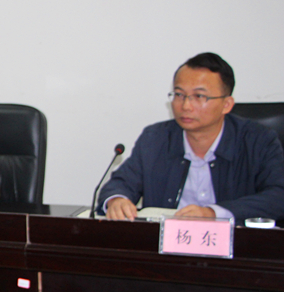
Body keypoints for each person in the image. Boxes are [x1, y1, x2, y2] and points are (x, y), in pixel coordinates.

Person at [98, 52, 284, 222]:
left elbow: (278, 196)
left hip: (236, 244)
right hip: (167, 244)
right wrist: (117, 200)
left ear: (226, 104)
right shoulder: (155, 138)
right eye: (179, 94)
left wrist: (214, 213)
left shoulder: (258, 140)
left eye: (199, 96)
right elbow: (120, 183)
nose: (185, 106)